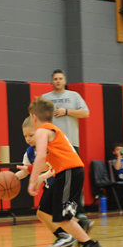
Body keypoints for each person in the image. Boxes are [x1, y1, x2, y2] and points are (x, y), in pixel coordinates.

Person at [27, 98, 102, 247]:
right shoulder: (52, 130)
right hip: (67, 173)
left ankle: (89, 244)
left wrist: (32, 181)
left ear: (34, 117)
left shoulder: (41, 131)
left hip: (69, 172)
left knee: (62, 216)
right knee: (44, 211)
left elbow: (40, 157)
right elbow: (49, 161)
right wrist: (33, 171)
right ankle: (79, 226)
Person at [40, 69, 92, 225]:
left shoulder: (74, 96)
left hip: (71, 144)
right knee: (54, 178)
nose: (58, 81)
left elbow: (86, 113)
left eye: (60, 78)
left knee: (74, 180)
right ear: (51, 81)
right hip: (52, 146)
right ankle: (55, 209)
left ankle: (79, 210)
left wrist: (67, 111)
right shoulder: (45, 98)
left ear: (64, 81)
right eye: (55, 78)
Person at [14, 117, 72, 247]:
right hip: (50, 185)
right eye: (25, 136)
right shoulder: (29, 152)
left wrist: (42, 176)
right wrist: (13, 178)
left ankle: (68, 236)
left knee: (57, 214)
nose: (28, 139)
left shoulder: (50, 146)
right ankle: (70, 233)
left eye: (31, 135)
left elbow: (56, 165)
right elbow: (26, 170)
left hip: (62, 181)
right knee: (43, 214)